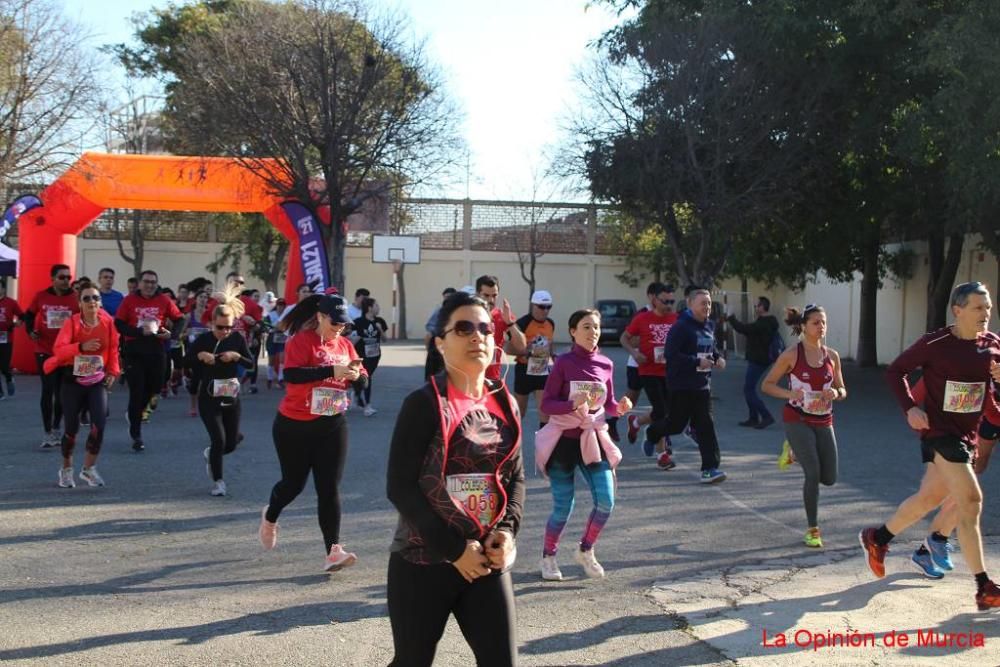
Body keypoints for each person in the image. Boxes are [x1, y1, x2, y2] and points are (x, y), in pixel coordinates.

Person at [385, 291, 524, 666]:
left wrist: (508, 532)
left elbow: (516, 479)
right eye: (464, 328)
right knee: (412, 661)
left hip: (485, 560)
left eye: (485, 328)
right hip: (424, 559)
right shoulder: (424, 403)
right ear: (441, 343)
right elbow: (399, 487)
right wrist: (454, 550)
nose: (477, 336)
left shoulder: (505, 402)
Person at [860, 281, 1000, 610]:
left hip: (966, 436)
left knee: (930, 499)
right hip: (938, 433)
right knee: (971, 500)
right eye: (979, 307)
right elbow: (896, 372)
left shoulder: (993, 346)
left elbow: (989, 398)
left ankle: (878, 538)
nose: (986, 313)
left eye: (989, 307)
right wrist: (910, 408)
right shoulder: (936, 343)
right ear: (958, 310)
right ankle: (984, 586)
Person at [258, 294, 368, 572]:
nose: (340, 328)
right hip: (293, 425)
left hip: (332, 424)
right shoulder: (301, 340)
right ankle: (270, 516)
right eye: (335, 323)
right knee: (293, 485)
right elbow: (292, 376)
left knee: (328, 488)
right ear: (320, 316)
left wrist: (357, 375)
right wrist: (332, 369)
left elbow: (363, 376)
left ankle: (333, 551)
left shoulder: (344, 344)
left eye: (344, 324)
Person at [536, 308, 631, 580]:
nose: (593, 332)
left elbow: (609, 404)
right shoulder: (563, 363)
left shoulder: (606, 364)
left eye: (596, 327)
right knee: (563, 507)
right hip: (563, 443)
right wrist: (571, 404)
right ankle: (549, 557)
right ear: (573, 332)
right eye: (586, 327)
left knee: (606, 501)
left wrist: (620, 407)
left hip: (593, 440)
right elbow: (546, 404)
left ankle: (586, 550)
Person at [761, 305, 845, 548]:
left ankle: (793, 450)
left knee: (829, 478)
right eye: (816, 322)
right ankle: (813, 529)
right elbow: (767, 385)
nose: (821, 327)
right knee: (813, 473)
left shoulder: (832, 356)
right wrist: (790, 393)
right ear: (804, 326)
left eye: (824, 322)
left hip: (823, 419)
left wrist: (835, 393)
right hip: (796, 418)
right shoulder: (791, 355)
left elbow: (843, 389)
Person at [643, 288, 728, 483]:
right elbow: (672, 355)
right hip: (681, 385)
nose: (707, 307)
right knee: (676, 425)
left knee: (706, 426)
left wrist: (718, 358)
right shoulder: (681, 327)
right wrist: (696, 362)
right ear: (690, 304)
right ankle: (652, 432)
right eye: (702, 303)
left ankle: (710, 469)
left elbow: (710, 348)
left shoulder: (709, 325)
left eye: (709, 303)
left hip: (702, 386)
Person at [44, 282, 120, 488]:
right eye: (86, 298)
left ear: (100, 302)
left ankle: (88, 469)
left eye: (95, 298)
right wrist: (81, 346)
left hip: (96, 380)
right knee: (71, 428)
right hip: (72, 381)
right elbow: (58, 350)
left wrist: (113, 371)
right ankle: (66, 469)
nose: (92, 302)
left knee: (99, 424)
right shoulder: (72, 323)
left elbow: (113, 349)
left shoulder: (108, 323)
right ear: (80, 303)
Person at [186, 287, 255, 496]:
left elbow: (250, 363)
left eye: (229, 327)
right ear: (211, 323)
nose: (225, 331)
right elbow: (184, 361)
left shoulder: (237, 340)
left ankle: (212, 455)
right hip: (209, 397)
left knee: (231, 444)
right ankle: (219, 482)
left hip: (231, 396)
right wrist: (199, 357)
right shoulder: (204, 340)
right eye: (220, 327)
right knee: (219, 440)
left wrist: (236, 356)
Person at [115, 269, 183, 451]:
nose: (150, 285)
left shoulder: (164, 300)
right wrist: (138, 332)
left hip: (156, 349)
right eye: (146, 281)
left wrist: (172, 334)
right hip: (135, 351)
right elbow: (119, 324)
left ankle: (134, 413)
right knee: (136, 392)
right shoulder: (129, 300)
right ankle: (136, 435)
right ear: (140, 283)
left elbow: (180, 319)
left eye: (153, 282)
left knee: (156, 387)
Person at [621, 283, 679, 467]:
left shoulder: (676, 319)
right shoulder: (642, 318)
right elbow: (624, 338)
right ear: (655, 300)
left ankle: (637, 422)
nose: (669, 305)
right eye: (665, 301)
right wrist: (634, 353)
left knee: (668, 411)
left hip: (669, 372)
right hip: (648, 371)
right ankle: (662, 455)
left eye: (672, 301)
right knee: (661, 411)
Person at [23, 264, 79, 448]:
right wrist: (31, 331)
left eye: (68, 277)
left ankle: (56, 427)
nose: (65, 281)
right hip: (45, 350)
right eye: (61, 277)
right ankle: (47, 432)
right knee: (48, 390)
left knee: (62, 392)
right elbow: (28, 315)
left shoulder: (75, 297)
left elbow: (83, 320)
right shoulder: (41, 296)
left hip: (66, 352)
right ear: (52, 279)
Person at [608, 282, 658, 442]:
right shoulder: (641, 315)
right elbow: (631, 340)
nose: (664, 303)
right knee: (631, 400)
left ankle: (661, 448)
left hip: (657, 367)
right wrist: (649, 339)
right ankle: (613, 420)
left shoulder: (664, 316)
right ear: (650, 296)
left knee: (661, 404)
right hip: (637, 365)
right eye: (660, 298)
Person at [728, 296, 780, 429]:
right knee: (749, 388)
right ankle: (753, 418)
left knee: (749, 390)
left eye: (756, 306)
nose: (755, 308)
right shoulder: (768, 322)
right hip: (761, 359)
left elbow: (744, 329)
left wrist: (731, 317)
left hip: (759, 360)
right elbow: (749, 331)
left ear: (762, 307)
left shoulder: (763, 323)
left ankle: (766, 416)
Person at [511, 290, 557, 430]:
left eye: (549, 307)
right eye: (541, 307)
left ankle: (545, 447)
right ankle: (512, 442)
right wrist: (526, 350)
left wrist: (554, 358)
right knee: (520, 412)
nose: (545, 311)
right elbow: (508, 348)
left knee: (545, 413)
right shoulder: (522, 323)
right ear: (533, 305)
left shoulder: (550, 323)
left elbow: (550, 344)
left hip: (542, 370)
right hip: (524, 370)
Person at [475, 275, 526, 382]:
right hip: (471, 377)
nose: (491, 300)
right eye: (486, 295)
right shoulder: (468, 314)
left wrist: (509, 323)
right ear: (477, 294)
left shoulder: (502, 316)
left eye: (494, 295)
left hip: (493, 378)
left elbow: (521, 347)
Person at [352, 297, 387, 416]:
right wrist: (356, 339)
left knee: (364, 378)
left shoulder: (380, 321)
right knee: (367, 378)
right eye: (376, 305)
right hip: (361, 355)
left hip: (375, 356)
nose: (379, 308)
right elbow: (350, 339)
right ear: (370, 308)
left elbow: (385, 339)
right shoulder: (357, 322)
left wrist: (380, 329)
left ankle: (357, 394)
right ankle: (368, 406)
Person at [184, 290, 212, 416]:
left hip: (209, 352)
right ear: (196, 299)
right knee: (195, 381)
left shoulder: (211, 315)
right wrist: (188, 333)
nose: (203, 299)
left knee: (207, 380)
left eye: (206, 297)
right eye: (201, 297)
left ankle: (206, 405)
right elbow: (180, 334)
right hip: (194, 352)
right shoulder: (189, 316)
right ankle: (193, 406)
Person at [423, 287, 457, 380]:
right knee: (433, 376)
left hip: (453, 348)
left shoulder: (459, 312)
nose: (447, 299)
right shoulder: (439, 311)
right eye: (445, 297)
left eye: (450, 297)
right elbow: (429, 328)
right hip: (438, 348)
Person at [0, 278, 24, 399]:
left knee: (4, 366)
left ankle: (9, 378)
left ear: (3, 289)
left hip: (6, 339)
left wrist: (17, 323)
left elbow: (22, 316)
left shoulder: (11, 302)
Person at [265, 298, 288, 389]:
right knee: (272, 360)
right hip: (272, 338)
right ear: (276, 306)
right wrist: (272, 329)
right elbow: (265, 324)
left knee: (282, 359)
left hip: (282, 338)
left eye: (282, 305)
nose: (281, 307)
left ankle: (280, 379)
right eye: (279, 305)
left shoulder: (286, 315)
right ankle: (269, 378)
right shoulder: (271, 315)